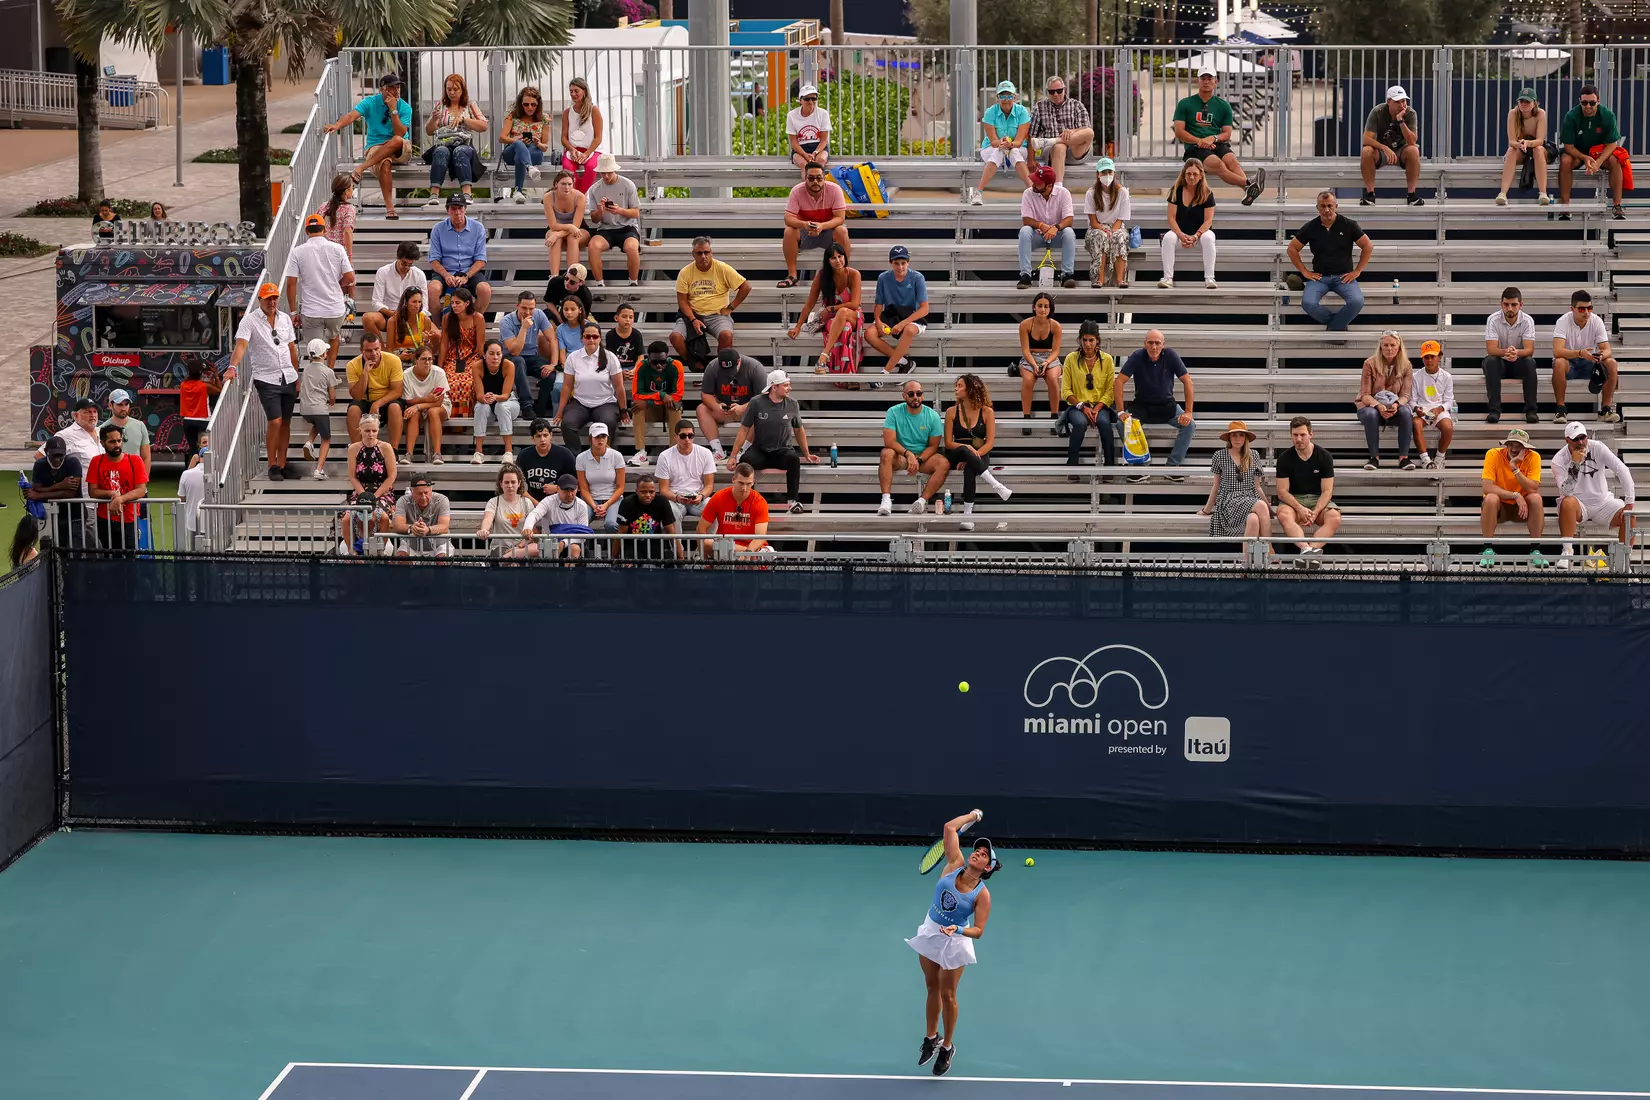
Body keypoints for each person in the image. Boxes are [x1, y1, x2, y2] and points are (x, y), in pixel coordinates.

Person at [907, 810, 997, 1079]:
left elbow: (978, 931)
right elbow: (949, 828)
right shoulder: (953, 862)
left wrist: (957, 928)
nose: (978, 853)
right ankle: (931, 1037)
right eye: (978, 849)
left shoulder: (983, 895)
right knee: (931, 986)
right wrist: (972, 815)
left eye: (984, 855)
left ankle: (947, 1046)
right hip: (931, 930)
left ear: (988, 868)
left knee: (948, 995)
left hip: (954, 940)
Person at [227, 283, 302, 482]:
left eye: (275, 298)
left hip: (288, 375)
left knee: (286, 422)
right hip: (266, 377)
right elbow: (241, 346)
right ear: (260, 299)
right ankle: (272, 464)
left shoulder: (284, 318)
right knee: (275, 420)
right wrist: (232, 367)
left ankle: (283, 463)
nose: (272, 302)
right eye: (268, 298)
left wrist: (297, 375)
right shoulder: (249, 321)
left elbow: (292, 349)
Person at [325, 73, 412, 221]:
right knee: (384, 163)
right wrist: (336, 125)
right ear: (382, 90)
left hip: (400, 148)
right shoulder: (370, 102)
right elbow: (352, 115)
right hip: (376, 146)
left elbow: (400, 133)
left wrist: (393, 110)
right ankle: (390, 208)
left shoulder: (404, 107)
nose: (396, 91)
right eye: (392, 88)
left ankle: (361, 167)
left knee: (397, 139)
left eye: (398, 87)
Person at [1171, 67, 1264, 205]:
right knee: (1219, 164)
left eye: (1210, 79)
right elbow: (1179, 132)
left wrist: (1213, 138)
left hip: (1216, 143)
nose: (1206, 82)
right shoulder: (1185, 103)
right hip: (1195, 148)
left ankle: (1248, 191)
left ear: (1216, 81)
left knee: (1232, 160)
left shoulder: (1223, 105)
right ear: (1198, 81)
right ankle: (1249, 184)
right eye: (1203, 78)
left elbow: (1227, 133)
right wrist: (1200, 141)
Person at [729, 370, 818, 513]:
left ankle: (793, 501)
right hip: (760, 450)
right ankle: (746, 499)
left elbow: (799, 430)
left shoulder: (792, 404)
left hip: (782, 451)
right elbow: (744, 430)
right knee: (745, 460)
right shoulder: (756, 402)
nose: (790, 388)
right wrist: (733, 456)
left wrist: (807, 454)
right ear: (774, 387)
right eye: (786, 385)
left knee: (794, 459)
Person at [1115, 330, 1196, 480]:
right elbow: (1118, 382)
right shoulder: (1137, 356)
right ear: (1144, 343)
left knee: (1190, 424)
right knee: (1121, 424)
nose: (1154, 346)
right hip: (1142, 406)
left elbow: (1188, 382)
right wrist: (1120, 411)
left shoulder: (1171, 355)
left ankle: (1172, 468)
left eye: (1157, 343)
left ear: (1163, 345)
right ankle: (1140, 468)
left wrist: (1188, 411)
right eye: (1150, 342)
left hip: (1166, 405)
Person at [1554, 421, 1636, 564]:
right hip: (1578, 505)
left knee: (1630, 516)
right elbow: (1566, 492)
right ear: (1567, 440)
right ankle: (1567, 552)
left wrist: (1629, 503)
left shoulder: (1597, 447)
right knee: (1566, 502)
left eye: (1583, 437)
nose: (1581, 442)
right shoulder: (1558, 460)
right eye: (1576, 439)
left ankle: (1623, 561)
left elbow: (1622, 469)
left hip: (1603, 502)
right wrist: (1575, 464)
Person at [1289, 191, 1371, 333]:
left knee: (1357, 302)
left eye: (1329, 206)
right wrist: (1304, 271)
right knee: (1308, 303)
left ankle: (1334, 326)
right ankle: (1337, 325)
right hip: (1320, 277)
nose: (1326, 210)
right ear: (1317, 208)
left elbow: (1368, 246)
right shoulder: (1311, 227)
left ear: (1336, 206)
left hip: (1344, 277)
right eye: (1323, 206)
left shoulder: (1348, 224)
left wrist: (1357, 271)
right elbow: (1292, 249)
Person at [284, 213, 354, 372]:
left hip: (312, 310)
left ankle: (317, 375)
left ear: (307, 231)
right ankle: (329, 371)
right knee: (334, 337)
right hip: (335, 309)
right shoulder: (338, 248)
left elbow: (291, 284)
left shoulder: (297, 252)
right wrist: (338, 284)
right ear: (325, 230)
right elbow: (350, 277)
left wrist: (294, 311)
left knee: (314, 348)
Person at [943, 374, 1012, 531]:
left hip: (980, 453)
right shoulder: (951, 411)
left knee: (970, 469)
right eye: (956, 385)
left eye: (960, 385)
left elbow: (990, 443)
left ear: (971, 388)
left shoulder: (987, 412)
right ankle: (996, 485)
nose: (956, 388)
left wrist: (972, 456)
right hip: (956, 452)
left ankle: (967, 517)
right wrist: (967, 449)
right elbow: (948, 443)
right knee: (964, 449)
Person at [787, 241, 862, 379]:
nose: (838, 260)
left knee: (843, 312)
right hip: (831, 318)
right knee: (844, 329)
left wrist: (832, 308)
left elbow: (855, 304)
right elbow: (810, 303)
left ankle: (824, 355)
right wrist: (798, 326)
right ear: (828, 261)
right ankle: (848, 377)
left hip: (853, 315)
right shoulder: (822, 276)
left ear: (845, 257)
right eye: (833, 258)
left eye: (840, 256)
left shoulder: (854, 274)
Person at [672, 237, 750, 360]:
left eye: (706, 252)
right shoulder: (685, 272)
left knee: (726, 335)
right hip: (693, 314)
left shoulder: (722, 268)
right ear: (693, 254)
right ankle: (695, 364)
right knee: (675, 337)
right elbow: (682, 300)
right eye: (699, 253)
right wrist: (693, 319)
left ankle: (719, 370)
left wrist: (731, 307)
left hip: (717, 315)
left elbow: (746, 287)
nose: (703, 256)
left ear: (711, 252)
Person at [1273, 416, 1340, 558]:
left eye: (1302, 435)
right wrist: (1299, 508)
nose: (1298, 439)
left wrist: (1315, 511)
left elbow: (1327, 491)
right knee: (1284, 514)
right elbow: (1282, 492)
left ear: (1310, 434)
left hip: (1318, 499)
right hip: (1295, 499)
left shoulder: (1324, 456)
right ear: (1291, 435)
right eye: (1295, 435)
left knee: (1334, 517)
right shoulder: (1285, 458)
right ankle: (1305, 548)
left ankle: (1311, 550)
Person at [878, 379, 949, 515]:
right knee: (886, 453)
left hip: (922, 458)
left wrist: (919, 460)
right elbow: (889, 442)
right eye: (911, 394)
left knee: (943, 463)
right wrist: (908, 454)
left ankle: (921, 501)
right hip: (901, 456)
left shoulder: (932, 416)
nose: (915, 397)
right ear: (904, 396)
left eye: (918, 393)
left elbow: (933, 446)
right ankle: (886, 500)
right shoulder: (893, 412)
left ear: (922, 395)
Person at [1479, 427, 1545, 569]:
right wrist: (1515, 495)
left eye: (1519, 446)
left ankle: (1535, 550)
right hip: (1499, 507)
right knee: (1490, 498)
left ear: (1526, 449)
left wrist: (1514, 468)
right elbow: (1487, 487)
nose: (1514, 449)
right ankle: (1487, 549)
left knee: (1536, 498)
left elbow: (1533, 488)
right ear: (1506, 445)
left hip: (1522, 509)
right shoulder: (1493, 454)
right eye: (1511, 444)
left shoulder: (1534, 457)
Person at [557, 321, 630, 450]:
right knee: (567, 424)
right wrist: (559, 412)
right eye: (587, 336)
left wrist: (623, 410)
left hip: (605, 403)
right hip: (580, 403)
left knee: (607, 424)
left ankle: (603, 457)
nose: (591, 340)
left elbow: (619, 386)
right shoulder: (573, 357)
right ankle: (577, 459)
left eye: (595, 336)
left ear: (599, 338)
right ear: (582, 338)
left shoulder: (610, 357)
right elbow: (567, 386)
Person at [1558, 84, 1626, 219]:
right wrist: (1584, 158)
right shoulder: (1571, 116)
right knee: (1565, 160)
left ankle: (1617, 205)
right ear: (1579, 101)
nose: (1588, 106)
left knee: (1615, 160)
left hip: (1599, 152)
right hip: (1578, 152)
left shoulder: (1607, 115)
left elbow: (1612, 144)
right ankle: (1565, 207)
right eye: (1584, 102)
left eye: (1592, 103)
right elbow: (1568, 147)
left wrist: (1598, 161)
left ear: (1598, 101)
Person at [1552, 289, 1620, 423]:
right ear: (1572, 309)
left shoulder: (1596, 320)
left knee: (1611, 363)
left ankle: (1605, 409)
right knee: (1559, 362)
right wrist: (1579, 353)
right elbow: (1557, 351)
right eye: (1582, 309)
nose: (1587, 312)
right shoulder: (1563, 321)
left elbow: (1607, 349)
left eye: (1589, 308)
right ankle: (1560, 410)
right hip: (1570, 363)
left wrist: (1600, 356)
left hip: (1589, 361)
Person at [1199, 421, 1270, 546]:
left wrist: (1270, 510)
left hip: (1250, 498)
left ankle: (1246, 561)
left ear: (1246, 438)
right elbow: (1216, 485)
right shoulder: (1219, 455)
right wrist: (1206, 510)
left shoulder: (1253, 455)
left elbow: (1257, 487)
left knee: (1253, 519)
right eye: (1234, 435)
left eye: (1241, 435)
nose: (1238, 439)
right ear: (1229, 438)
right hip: (1229, 500)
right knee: (1261, 506)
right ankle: (1269, 547)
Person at [781, 162, 851, 288]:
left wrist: (822, 226)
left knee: (842, 230)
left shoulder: (835, 189)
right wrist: (805, 225)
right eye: (811, 178)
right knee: (789, 231)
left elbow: (840, 218)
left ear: (824, 178)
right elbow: (788, 218)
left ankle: (844, 273)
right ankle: (792, 275)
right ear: (805, 178)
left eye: (819, 178)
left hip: (828, 231)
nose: (815, 182)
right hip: (806, 232)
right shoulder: (797, 191)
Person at [422, 73, 488, 205]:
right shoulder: (440, 106)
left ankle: (467, 193)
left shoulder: (470, 105)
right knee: (441, 151)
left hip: (464, 144)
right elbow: (429, 131)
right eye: (449, 89)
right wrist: (434, 119)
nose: (452, 92)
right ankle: (434, 194)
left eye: (455, 89)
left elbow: (483, 126)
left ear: (462, 90)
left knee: (460, 151)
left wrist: (464, 119)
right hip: (444, 144)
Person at [1059, 321, 1117, 471]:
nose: (1088, 344)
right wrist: (1082, 407)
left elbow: (1110, 391)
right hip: (1077, 406)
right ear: (1080, 340)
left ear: (1097, 340)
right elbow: (1065, 390)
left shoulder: (1108, 360)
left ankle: (1110, 468)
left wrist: (1096, 408)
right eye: (1084, 340)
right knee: (1079, 424)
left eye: (1091, 340)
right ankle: (1072, 466)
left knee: (1105, 424)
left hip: (1100, 405)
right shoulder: (1071, 359)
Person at [1355, 331, 1415, 471]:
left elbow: (1405, 395)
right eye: (1386, 345)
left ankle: (1404, 458)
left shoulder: (1406, 365)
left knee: (1406, 412)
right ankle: (1374, 458)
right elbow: (1365, 394)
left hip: (1394, 406)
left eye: (1393, 345)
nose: (1389, 348)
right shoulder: (1369, 363)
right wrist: (1379, 406)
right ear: (1380, 347)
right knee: (1371, 414)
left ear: (1399, 347)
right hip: (1371, 406)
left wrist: (1395, 405)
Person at [427, 194, 491, 319]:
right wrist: (446, 275)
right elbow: (434, 259)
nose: (457, 212)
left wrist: (466, 276)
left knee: (485, 290)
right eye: (453, 208)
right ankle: (438, 327)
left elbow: (481, 259)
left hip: (469, 271)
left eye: (460, 208)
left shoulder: (478, 228)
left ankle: (470, 323)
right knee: (432, 289)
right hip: (445, 272)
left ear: (465, 209)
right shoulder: (438, 229)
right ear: (448, 210)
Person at [867, 245, 929, 375]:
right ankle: (904, 362)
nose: (900, 267)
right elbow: (878, 306)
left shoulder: (917, 277)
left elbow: (924, 309)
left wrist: (902, 323)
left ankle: (885, 371)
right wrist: (878, 321)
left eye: (903, 263)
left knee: (909, 329)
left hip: (912, 315)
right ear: (891, 263)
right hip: (891, 315)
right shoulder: (883, 278)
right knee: (869, 334)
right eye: (896, 263)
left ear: (908, 262)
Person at [341, 414, 397, 555]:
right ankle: (351, 550)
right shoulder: (353, 448)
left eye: (374, 430)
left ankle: (380, 549)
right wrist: (363, 495)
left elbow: (392, 476)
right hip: (360, 491)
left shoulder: (386, 447)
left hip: (382, 491)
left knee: (382, 516)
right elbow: (353, 476)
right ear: (360, 430)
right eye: (367, 431)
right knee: (347, 517)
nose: (371, 434)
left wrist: (374, 497)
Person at [1482, 286, 1540, 425]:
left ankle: (1531, 411)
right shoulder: (1493, 319)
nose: (1510, 308)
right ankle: (1494, 410)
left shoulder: (1527, 320)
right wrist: (1508, 352)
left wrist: (1517, 353)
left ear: (1521, 304)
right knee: (1490, 361)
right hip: (1499, 363)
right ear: (1501, 304)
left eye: (1514, 305)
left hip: (1518, 362)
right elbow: (1491, 349)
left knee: (1530, 362)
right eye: (1506, 304)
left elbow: (1529, 350)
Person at [968, 81, 1031, 205]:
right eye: (1002, 96)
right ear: (997, 98)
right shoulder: (990, 112)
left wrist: (1010, 145)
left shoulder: (1022, 111)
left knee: (1014, 152)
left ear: (1015, 97)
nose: (1006, 100)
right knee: (999, 151)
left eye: (1009, 96)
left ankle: (1032, 191)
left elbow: (1019, 141)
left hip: (1017, 148)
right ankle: (978, 192)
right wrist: (1001, 144)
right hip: (991, 148)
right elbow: (993, 141)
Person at [697, 347, 766, 457]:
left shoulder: (755, 367)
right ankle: (717, 451)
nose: (729, 374)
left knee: (761, 411)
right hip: (725, 410)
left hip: (748, 411)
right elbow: (705, 394)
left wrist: (743, 408)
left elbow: (764, 397)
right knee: (702, 409)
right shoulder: (712, 367)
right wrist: (716, 406)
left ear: (739, 362)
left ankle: (743, 450)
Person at [1360, 86, 1423, 207]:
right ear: (1389, 102)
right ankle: (1370, 195)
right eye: (1397, 102)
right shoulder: (1378, 111)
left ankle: (1411, 195)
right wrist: (1384, 148)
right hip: (1381, 152)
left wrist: (1401, 121)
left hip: (1402, 152)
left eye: (1403, 101)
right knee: (1366, 151)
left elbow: (1412, 141)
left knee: (1414, 151)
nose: (1402, 105)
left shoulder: (1410, 113)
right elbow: (1366, 139)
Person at [87, 423, 147, 550]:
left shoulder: (135, 460)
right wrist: (112, 494)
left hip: (129, 519)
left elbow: (141, 490)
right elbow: (93, 491)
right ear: (102, 443)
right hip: (104, 519)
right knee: (108, 556)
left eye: (119, 440)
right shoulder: (96, 461)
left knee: (130, 557)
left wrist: (120, 499)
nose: (117, 445)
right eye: (112, 441)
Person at [1159, 159, 1217, 289]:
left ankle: (1210, 278)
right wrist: (1180, 235)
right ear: (1184, 174)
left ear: (1201, 175)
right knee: (1168, 238)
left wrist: (1196, 236)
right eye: (1189, 173)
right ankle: (1168, 278)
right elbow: (1171, 218)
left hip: (1200, 235)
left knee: (1208, 237)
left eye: (1195, 174)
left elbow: (1208, 221)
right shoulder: (1176, 191)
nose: (1191, 177)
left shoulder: (1207, 193)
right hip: (1181, 234)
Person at [586, 154, 642, 285]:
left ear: (614, 170)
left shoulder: (627, 184)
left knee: (632, 247)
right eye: (603, 173)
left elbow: (636, 212)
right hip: (606, 228)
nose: (605, 176)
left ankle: (633, 282)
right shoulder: (594, 189)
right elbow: (594, 219)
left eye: (608, 173)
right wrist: (600, 211)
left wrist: (620, 210)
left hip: (627, 228)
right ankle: (600, 283)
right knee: (593, 246)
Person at [1018, 165, 1076, 290]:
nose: (1033, 184)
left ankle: (1067, 275)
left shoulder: (1064, 193)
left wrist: (1056, 227)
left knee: (1069, 232)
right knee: (1025, 231)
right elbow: (1026, 220)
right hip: (1037, 235)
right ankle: (1025, 275)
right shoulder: (1028, 193)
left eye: (1037, 182)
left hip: (1056, 235)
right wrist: (1040, 225)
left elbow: (1069, 219)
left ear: (1049, 186)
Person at [1029, 75, 1094, 184]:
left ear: (1064, 89)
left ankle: (1053, 140)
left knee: (1089, 132)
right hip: (1053, 151)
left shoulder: (1077, 105)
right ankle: (1058, 187)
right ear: (1047, 92)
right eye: (1052, 91)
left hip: (1077, 151)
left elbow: (1085, 130)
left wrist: (1072, 131)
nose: (1056, 94)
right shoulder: (1039, 107)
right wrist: (1031, 160)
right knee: (1060, 146)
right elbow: (1032, 135)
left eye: (1059, 91)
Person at [344, 332, 404, 447]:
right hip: (365, 399)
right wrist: (365, 373)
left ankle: (394, 450)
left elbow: (397, 390)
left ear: (381, 347)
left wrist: (377, 404)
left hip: (386, 400)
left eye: (376, 349)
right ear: (362, 350)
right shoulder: (352, 365)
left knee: (395, 407)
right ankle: (358, 450)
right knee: (353, 410)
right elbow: (356, 396)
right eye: (369, 351)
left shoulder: (393, 360)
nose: (374, 353)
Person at [630, 341, 684, 466]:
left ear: (667, 357)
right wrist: (661, 395)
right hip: (652, 410)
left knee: (675, 407)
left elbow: (677, 395)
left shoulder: (677, 366)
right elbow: (637, 394)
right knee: (637, 407)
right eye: (654, 362)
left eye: (663, 362)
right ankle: (641, 452)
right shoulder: (641, 367)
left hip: (667, 409)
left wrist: (649, 401)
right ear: (648, 358)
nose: (659, 366)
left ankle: (674, 451)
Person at [500, 290, 555, 414]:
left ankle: (540, 410)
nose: (528, 312)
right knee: (518, 361)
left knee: (551, 375)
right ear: (517, 306)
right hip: (511, 358)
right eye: (524, 308)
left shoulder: (539, 315)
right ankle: (526, 405)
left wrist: (553, 364)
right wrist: (524, 328)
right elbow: (515, 351)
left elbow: (552, 339)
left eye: (531, 309)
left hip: (531, 356)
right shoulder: (506, 321)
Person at [697, 463, 771, 554]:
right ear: (733, 480)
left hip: (751, 547)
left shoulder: (759, 501)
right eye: (741, 483)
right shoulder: (719, 497)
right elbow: (701, 528)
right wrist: (703, 557)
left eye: (748, 484)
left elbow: (760, 537)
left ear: (753, 482)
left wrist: (748, 552)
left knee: (765, 552)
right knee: (707, 543)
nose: (744, 488)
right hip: (725, 546)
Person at [1498, 88, 1555, 206]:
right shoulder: (1513, 113)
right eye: (1521, 101)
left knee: (1538, 150)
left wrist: (1528, 143)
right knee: (1511, 151)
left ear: (1535, 103)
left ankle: (1543, 193)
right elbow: (1512, 141)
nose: (1524, 104)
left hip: (1536, 148)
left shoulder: (1540, 114)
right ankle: (1503, 193)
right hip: (1521, 149)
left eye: (1527, 101)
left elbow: (1540, 140)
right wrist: (1520, 144)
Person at [435, 286, 485, 419]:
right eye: (452, 303)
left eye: (457, 303)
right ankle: (451, 419)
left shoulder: (477, 318)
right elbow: (444, 343)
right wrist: (440, 367)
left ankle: (463, 420)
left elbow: (480, 346)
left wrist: (482, 364)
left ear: (467, 303)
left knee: (467, 383)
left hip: (472, 357)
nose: (454, 306)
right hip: (453, 357)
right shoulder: (447, 318)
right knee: (450, 383)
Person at [1017, 291, 1064, 432]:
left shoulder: (1055, 326)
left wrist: (1046, 363)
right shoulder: (1025, 325)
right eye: (1040, 306)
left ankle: (1055, 417)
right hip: (1030, 357)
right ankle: (1026, 418)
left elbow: (1056, 351)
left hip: (1050, 358)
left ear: (1050, 309)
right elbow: (1025, 350)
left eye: (1046, 306)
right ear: (1034, 307)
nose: (1043, 309)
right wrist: (1033, 364)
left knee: (1052, 378)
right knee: (1028, 379)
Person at [28, 435, 86, 548]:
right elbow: (36, 488)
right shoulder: (40, 465)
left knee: (75, 551)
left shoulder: (73, 463)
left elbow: (70, 494)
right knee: (50, 550)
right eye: (53, 455)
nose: (57, 459)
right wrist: (61, 485)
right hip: (50, 516)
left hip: (74, 516)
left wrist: (40, 495)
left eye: (60, 455)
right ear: (46, 452)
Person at [655, 421, 716, 524]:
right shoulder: (665, 456)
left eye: (690, 436)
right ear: (675, 437)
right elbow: (663, 489)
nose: (687, 440)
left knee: (714, 508)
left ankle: (708, 540)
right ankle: (677, 541)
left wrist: (701, 496)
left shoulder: (705, 453)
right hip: (675, 497)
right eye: (683, 436)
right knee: (672, 511)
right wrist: (677, 498)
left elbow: (709, 485)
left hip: (697, 497)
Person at [1084, 158, 1132, 289]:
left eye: (1109, 172)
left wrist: (1112, 231)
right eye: (1103, 172)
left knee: (1119, 237)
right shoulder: (1091, 193)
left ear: (1114, 174)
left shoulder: (1122, 192)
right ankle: (1098, 279)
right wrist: (1103, 229)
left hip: (1116, 226)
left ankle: (1120, 279)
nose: (1107, 176)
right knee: (1100, 236)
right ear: (1098, 174)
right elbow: (1093, 222)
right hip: (1097, 227)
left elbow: (1120, 219)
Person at [469, 339, 519, 464]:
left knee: (501, 406)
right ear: (484, 354)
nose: (495, 357)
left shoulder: (509, 365)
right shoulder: (477, 366)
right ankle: (478, 452)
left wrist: (495, 397)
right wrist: (485, 398)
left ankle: (508, 452)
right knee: (480, 407)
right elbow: (479, 395)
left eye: (498, 354)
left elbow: (506, 395)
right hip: (488, 403)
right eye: (491, 353)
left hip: (508, 402)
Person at [364, 242, 426, 341]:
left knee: (436, 334)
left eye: (410, 265)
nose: (406, 267)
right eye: (404, 263)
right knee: (368, 318)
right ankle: (382, 353)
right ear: (397, 257)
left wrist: (413, 317)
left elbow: (425, 305)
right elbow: (376, 302)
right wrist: (392, 314)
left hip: (413, 316)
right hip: (390, 314)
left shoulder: (419, 274)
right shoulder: (383, 272)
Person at [400, 345, 450, 465]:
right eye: (424, 359)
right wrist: (424, 400)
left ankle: (437, 454)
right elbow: (408, 401)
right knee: (413, 413)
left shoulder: (439, 373)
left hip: (440, 405)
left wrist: (419, 405)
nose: (427, 362)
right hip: (417, 404)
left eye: (430, 359)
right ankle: (409, 454)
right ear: (416, 360)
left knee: (432, 411)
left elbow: (438, 402)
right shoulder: (406, 375)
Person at [499, 85, 550, 202]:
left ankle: (518, 191)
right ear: (520, 104)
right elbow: (502, 138)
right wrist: (517, 140)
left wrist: (538, 143)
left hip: (534, 151)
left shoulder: (544, 119)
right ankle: (529, 167)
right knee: (519, 145)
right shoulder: (512, 116)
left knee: (520, 157)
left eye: (533, 104)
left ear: (538, 104)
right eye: (526, 104)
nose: (530, 107)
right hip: (512, 150)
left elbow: (545, 147)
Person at [1410, 340, 1455, 471]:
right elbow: (1412, 400)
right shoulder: (1416, 376)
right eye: (1426, 357)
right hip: (1423, 409)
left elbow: (1448, 400)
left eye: (1432, 356)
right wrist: (1416, 408)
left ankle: (1439, 458)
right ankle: (1425, 459)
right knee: (1416, 424)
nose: (1429, 360)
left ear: (1439, 357)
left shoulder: (1446, 376)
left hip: (1439, 409)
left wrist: (1439, 409)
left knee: (1448, 427)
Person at [524, 473, 593, 558]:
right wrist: (528, 527)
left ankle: (572, 570)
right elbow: (534, 514)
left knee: (574, 548)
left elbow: (583, 534)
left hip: (574, 543)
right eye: (566, 490)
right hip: (550, 544)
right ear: (557, 489)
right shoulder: (548, 501)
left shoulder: (581, 505)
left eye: (572, 490)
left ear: (577, 489)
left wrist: (563, 543)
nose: (570, 494)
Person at [478, 463, 538, 558]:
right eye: (506, 482)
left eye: (513, 482)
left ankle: (510, 557)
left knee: (537, 549)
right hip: (500, 547)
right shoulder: (494, 502)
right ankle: (509, 558)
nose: (510, 485)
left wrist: (518, 547)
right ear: (501, 484)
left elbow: (533, 531)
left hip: (522, 547)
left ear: (519, 483)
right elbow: (487, 519)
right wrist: (484, 530)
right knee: (510, 561)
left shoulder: (527, 502)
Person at [616, 474, 682, 559]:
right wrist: (614, 558)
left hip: (655, 545)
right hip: (633, 546)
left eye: (651, 492)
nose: (648, 495)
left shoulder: (662, 502)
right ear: (636, 491)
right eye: (643, 492)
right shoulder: (627, 503)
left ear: (655, 491)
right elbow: (621, 533)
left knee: (669, 560)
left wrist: (681, 558)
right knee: (629, 567)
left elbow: (671, 531)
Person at [577, 421, 627, 533]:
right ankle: (582, 549)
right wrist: (595, 506)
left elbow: (620, 487)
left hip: (613, 499)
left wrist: (606, 505)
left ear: (607, 438)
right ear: (591, 438)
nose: (600, 440)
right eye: (597, 437)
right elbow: (584, 488)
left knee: (611, 524)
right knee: (580, 523)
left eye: (603, 436)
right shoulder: (581, 458)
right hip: (591, 499)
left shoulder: (616, 456)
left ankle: (615, 550)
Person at [297, 338, 335, 479]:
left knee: (316, 423)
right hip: (319, 408)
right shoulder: (328, 371)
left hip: (305, 409)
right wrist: (332, 400)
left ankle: (309, 442)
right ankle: (319, 470)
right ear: (325, 354)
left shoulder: (306, 369)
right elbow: (332, 394)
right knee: (326, 439)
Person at [514, 419, 577, 501]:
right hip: (532, 501)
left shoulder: (565, 455)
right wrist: (536, 504)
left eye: (545, 435)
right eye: (538, 436)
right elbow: (517, 485)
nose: (542, 440)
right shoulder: (524, 455)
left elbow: (575, 483)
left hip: (558, 500)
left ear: (551, 435)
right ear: (533, 438)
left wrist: (557, 488)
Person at [560, 77, 605, 194]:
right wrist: (571, 149)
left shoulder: (594, 110)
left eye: (576, 91)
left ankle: (581, 195)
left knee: (591, 168)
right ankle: (577, 195)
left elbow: (598, 138)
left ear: (584, 91)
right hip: (573, 150)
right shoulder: (567, 112)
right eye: (571, 91)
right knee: (567, 168)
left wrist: (586, 153)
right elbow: (564, 138)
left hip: (592, 150)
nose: (573, 94)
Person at [542, 169, 589, 277]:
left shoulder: (580, 197)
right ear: (556, 184)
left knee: (573, 237)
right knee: (555, 238)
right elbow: (553, 225)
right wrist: (567, 227)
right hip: (556, 228)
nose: (567, 187)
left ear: (573, 184)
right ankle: (554, 277)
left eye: (569, 184)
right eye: (563, 184)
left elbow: (576, 226)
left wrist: (558, 234)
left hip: (579, 229)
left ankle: (573, 277)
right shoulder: (548, 197)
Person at [390, 476, 452, 559]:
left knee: (443, 560)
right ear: (412, 491)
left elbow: (444, 526)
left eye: (426, 493)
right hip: (411, 545)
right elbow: (397, 525)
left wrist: (428, 530)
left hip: (439, 545)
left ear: (431, 489)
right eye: (419, 494)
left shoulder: (442, 500)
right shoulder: (403, 500)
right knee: (402, 559)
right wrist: (411, 528)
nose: (423, 497)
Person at [36, 397, 102, 472]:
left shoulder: (102, 432)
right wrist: (58, 478)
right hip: (82, 483)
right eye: (87, 412)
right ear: (76, 415)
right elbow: (39, 455)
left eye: (95, 411)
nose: (93, 415)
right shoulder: (65, 435)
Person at [100, 388, 151, 476]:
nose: (124, 408)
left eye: (126, 404)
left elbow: (146, 457)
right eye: (119, 404)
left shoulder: (140, 426)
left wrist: (143, 482)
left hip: (136, 481)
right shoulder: (102, 429)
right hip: (113, 481)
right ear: (110, 405)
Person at [177, 359, 221, 460]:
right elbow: (219, 390)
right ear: (201, 372)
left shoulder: (183, 385)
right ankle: (205, 470)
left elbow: (189, 377)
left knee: (193, 449)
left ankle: (191, 469)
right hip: (203, 420)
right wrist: (216, 375)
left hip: (188, 421)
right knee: (205, 447)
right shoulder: (204, 386)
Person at [786, 83, 831, 175]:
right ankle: (806, 188)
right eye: (807, 99)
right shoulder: (792, 115)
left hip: (819, 148)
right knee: (804, 165)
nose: (810, 102)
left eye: (814, 98)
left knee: (820, 162)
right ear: (800, 101)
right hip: (800, 149)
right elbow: (794, 143)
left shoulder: (823, 114)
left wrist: (815, 153)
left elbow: (823, 141)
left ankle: (819, 187)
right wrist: (805, 155)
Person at [177, 429, 208, 544]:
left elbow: (182, 497)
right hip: (195, 521)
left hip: (201, 522)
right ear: (199, 445)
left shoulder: (221, 471)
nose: (207, 445)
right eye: (204, 442)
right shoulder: (188, 472)